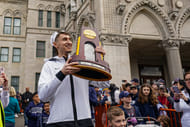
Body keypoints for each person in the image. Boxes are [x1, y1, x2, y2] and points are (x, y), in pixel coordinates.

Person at [38, 30, 109, 127]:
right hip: (59, 122)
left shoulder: (81, 63)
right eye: (64, 39)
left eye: (70, 39)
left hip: (84, 121)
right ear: (55, 44)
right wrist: (62, 74)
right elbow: (43, 96)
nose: (69, 42)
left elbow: (104, 84)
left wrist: (101, 61)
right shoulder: (49, 65)